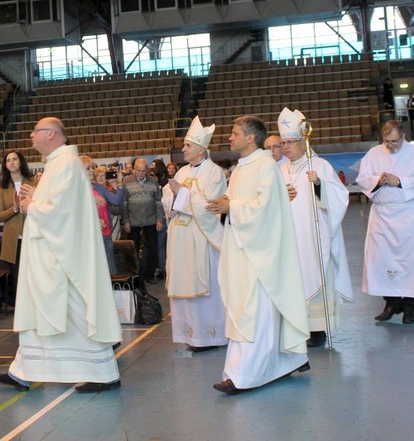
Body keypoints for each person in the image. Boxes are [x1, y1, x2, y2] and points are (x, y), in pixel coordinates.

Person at [0, 117, 122, 393]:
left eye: (35, 131)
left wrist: (30, 205)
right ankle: (23, 371)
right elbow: (57, 203)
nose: (30, 135)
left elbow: (60, 211)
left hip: (61, 260)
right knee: (41, 316)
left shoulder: (65, 164)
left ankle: (104, 372)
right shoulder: (58, 164)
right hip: (50, 256)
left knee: (73, 315)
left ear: (50, 134)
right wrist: (35, 197)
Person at [206, 116, 309, 395]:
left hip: (259, 253)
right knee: (246, 311)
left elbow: (268, 208)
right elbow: (238, 204)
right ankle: (287, 360)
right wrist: (223, 207)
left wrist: (232, 207)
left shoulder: (265, 166)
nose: (230, 137)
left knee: (255, 312)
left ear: (251, 137)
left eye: (235, 132)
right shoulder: (241, 168)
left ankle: (244, 375)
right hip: (242, 248)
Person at [277, 108, 353, 346]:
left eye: (290, 142)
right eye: (283, 143)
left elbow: (340, 197)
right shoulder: (280, 170)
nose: (286, 147)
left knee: (315, 273)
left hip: (313, 235)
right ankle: (296, 325)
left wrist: (319, 185)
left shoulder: (319, 165)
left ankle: (318, 329)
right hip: (290, 237)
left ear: (303, 142)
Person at [162, 116, 228, 352]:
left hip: (202, 239)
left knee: (205, 286)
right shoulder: (180, 172)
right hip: (180, 239)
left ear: (201, 149)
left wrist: (182, 195)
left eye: (188, 146)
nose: (183, 149)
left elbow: (210, 206)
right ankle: (189, 335)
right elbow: (167, 199)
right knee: (182, 285)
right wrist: (174, 195)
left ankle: (209, 336)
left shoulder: (214, 173)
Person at [356, 121, 414, 324]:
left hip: (408, 214)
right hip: (382, 216)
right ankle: (390, 303)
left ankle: (409, 307)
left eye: (394, 141)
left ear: (403, 136)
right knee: (383, 260)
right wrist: (378, 180)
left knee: (410, 261)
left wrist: (399, 181)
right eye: (386, 141)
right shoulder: (374, 153)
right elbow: (362, 179)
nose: (390, 145)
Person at [0, 150, 35, 303]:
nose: (11, 162)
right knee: (18, 277)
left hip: (31, 236)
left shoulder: (32, 182)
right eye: (8, 160)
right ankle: (21, 311)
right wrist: (14, 208)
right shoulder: (3, 187)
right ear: (5, 165)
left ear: (21, 162)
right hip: (13, 240)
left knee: (34, 275)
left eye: (15, 159)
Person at [122, 157, 165, 284]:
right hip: (133, 221)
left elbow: (158, 202)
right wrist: (126, 221)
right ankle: (136, 276)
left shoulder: (153, 182)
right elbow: (124, 203)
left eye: (143, 171)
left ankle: (149, 274)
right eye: (138, 170)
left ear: (147, 170)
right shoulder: (126, 182)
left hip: (151, 219)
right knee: (133, 249)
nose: (140, 174)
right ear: (133, 169)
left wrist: (159, 219)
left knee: (152, 248)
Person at [80, 156, 118, 275]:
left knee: (111, 271)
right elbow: (77, 212)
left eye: (92, 167)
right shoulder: (77, 189)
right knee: (94, 272)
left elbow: (116, 201)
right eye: (88, 168)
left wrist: (117, 184)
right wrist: (95, 220)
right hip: (89, 236)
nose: (92, 170)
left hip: (105, 234)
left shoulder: (99, 188)